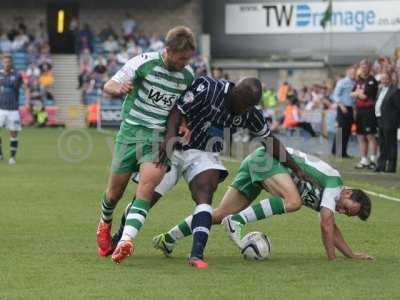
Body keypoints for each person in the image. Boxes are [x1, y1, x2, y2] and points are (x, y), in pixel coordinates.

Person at [112, 74, 316, 268]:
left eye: (249, 106)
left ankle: (197, 254)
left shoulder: (250, 114)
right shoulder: (208, 88)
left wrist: (297, 169)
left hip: (203, 154)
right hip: (175, 146)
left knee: (205, 193)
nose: (244, 110)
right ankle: (120, 237)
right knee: (148, 197)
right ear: (236, 92)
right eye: (243, 104)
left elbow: (270, 141)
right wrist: (169, 141)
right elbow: (177, 111)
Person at [151, 147, 373, 262]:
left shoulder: (332, 197)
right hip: (268, 160)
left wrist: (351, 254)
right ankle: (237, 221)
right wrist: (332, 259)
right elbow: (326, 222)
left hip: (260, 162)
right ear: (348, 192)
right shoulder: (335, 183)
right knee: (293, 201)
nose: (341, 210)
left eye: (346, 213)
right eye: (346, 207)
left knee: (217, 215)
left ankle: (167, 238)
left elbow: (331, 226)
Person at [95, 26, 196, 264]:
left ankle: (126, 241)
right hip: (130, 132)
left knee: (147, 188)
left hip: (158, 138)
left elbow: (182, 108)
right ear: (168, 51)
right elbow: (108, 85)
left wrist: (184, 124)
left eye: (188, 59)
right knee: (114, 193)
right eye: (181, 58)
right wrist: (119, 89)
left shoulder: (188, 76)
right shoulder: (143, 63)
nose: (184, 63)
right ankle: (104, 223)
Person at [0, 54, 28, 164]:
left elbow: (26, 88)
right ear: (2, 62)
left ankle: (12, 158)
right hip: (1, 108)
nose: (7, 63)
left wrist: (27, 102)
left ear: (11, 63)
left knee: (14, 133)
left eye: (8, 62)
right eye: (5, 61)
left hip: (13, 109)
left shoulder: (17, 75)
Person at [352, 60, 379, 169]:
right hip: (359, 110)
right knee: (360, 135)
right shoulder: (359, 80)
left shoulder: (372, 80)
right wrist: (358, 93)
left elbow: (365, 96)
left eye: (366, 66)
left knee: (370, 135)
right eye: (362, 66)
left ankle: (373, 159)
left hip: (368, 110)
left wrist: (358, 93)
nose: (363, 68)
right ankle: (364, 160)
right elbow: (352, 93)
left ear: (369, 68)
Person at [374, 71, 400, 173]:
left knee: (391, 144)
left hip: (390, 121)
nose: (383, 80)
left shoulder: (395, 91)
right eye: (382, 78)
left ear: (390, 79)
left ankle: (391, 166)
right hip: (380, 119)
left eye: (385, 78)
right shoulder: (380, 89)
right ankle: (381, 165)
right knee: (382, 143)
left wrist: (396, 121)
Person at [331, 66, 356, 158]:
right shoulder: (342, 82)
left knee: (347, 130)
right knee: (341, 130)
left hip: (350, 108)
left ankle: (343, 151)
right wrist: (341, 106)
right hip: (342, 107)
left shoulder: (355, 83)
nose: (353, 74)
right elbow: (335, 95)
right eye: (351, 73)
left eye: (354, 73)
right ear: (347, 72)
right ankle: (337, 151)